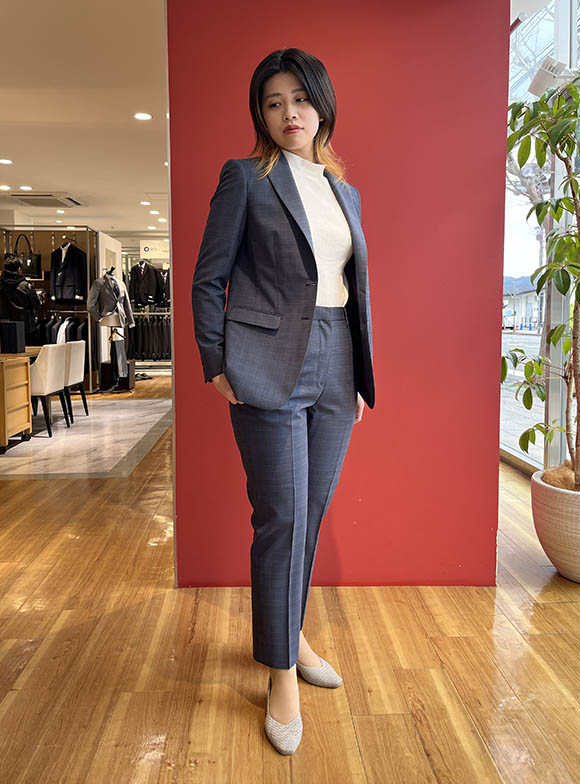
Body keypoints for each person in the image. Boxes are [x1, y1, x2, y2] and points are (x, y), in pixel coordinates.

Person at [192, 47, 375, 755]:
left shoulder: (341, 189)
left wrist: (355, 373)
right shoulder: (245, 178)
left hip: (336, 361)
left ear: (321, 105)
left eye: (299, 98)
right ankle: (280, 673)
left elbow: (348, 288)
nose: (288, 112)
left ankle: (289, 635)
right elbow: (209, 277)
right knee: (283, 519)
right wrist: (216, 363)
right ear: (261, 115)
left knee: (313, 511)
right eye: (273, 102)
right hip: (266, 364)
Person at [0, 254, 43, 344]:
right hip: (26, 327)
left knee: (7, 351)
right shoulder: (25, 286)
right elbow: (37, 305)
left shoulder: (1, 284)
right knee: (29, 350)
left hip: (5, 327)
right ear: (19, 269)